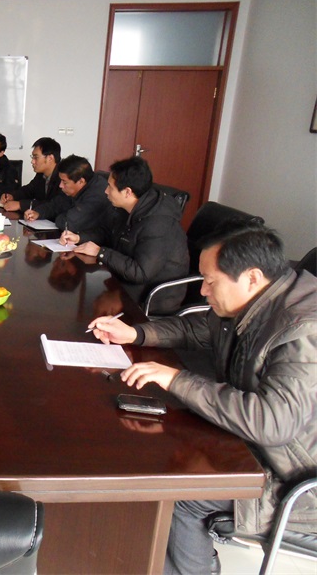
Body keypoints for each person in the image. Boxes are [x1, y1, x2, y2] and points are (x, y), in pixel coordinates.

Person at [87, 222, 317, 575]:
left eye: (210, 281)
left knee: (183, 491)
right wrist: (135, 333)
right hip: (261, 448)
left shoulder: (303, 329)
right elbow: (197, 329)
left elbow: (272, 423)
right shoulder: (257, 301)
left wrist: (177, 379)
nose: (203, 290)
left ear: (252, 277)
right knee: (156, 448)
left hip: (296, 480)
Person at [59, 156, 188, 314]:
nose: (106, 191)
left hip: (151, 295)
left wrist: (101, 252)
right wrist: (79, 237)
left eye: (110, 187)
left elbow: (140, 272)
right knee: (77, 299)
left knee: (85, 308)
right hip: (125, 281)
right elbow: (108, 232)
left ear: (127, 192)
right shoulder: (128, 208)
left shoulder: (158, 223)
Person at [23, 155, 109, 231]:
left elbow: (68, 223)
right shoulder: (76, 187)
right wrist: (38, 213)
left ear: (81, 181)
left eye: (64, 182)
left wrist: (58, 215)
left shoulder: (97, 195)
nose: (60, 185)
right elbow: (55, 204)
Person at [1, 137, 70, 215]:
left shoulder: (64, 178)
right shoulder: (41, 174)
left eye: (36, 157)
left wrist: (21, 205)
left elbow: (53, 205)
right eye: (32, 157)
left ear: (50, 158)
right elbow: (29, 190)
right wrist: (12, 196)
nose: (32, 161)